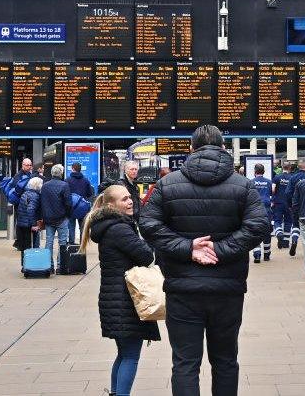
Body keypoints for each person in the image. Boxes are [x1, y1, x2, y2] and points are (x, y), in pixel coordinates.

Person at [139, 125, 269, 396]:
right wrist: (220, 250)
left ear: (190, 149)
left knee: (185, 363)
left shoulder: (167, 184)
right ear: (223, 148)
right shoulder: (242, 185)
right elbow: (258, 226)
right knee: (225, 360)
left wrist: (189, 249)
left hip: (182, 289)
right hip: (228, 289)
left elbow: (148, 224)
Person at [81, 185, 160, 396]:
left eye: (129, 197)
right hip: (125, 300)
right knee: (131, 356)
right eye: (124, 199)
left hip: (114, 298)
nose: (130, 201)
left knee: (124, 353)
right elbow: (146, 256)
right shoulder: (119, 228)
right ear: (111, 204)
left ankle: (115, 393)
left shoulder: (109, 226)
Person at [40, 164, 72, 272]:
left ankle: (49, 266)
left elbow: (42, 202)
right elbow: (68, 203)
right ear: (61, 173)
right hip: (62, 218)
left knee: (49, 242)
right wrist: (67, 215)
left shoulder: (45, 185)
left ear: (52, 173)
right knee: (62, 242)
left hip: (48, 218)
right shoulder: (64, 185)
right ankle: (60, 266)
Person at [66, 162, 95, 245]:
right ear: (80, 169)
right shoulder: (86, 180)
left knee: (71, 226)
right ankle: (82, 243)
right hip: (82, 207)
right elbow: (90, 193)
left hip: (71, 206)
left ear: (73, 169)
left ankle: (71, 243)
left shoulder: (67, 180)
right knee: (82, 226)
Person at [250, 163, 274, 264]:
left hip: (255, 210)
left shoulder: (251, 182)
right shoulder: (269, 182)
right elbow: (271, 193)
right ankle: (267, 255)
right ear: (263, 171)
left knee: (255, 231)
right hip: (267, 209)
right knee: (267, 231)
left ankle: (257, 255)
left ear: (255, 171)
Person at [15, 177, 44, 252]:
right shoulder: (35, 196)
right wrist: (34, 224)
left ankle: (24, 261)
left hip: (22, 223)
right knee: (29, 246)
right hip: (28, 224)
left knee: (24, 247)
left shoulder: (25, 193)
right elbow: (30, 209)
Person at [271, 163, 295, 249]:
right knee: (288, 222)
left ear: (282, 167)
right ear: (289, 168)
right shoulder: (292, 178)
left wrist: (275, 195)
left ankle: (279, 233)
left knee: (277, 220)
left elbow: (273, 189)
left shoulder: (277, 177)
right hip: (289, 203)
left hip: (278, 202)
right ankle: (286, 242)